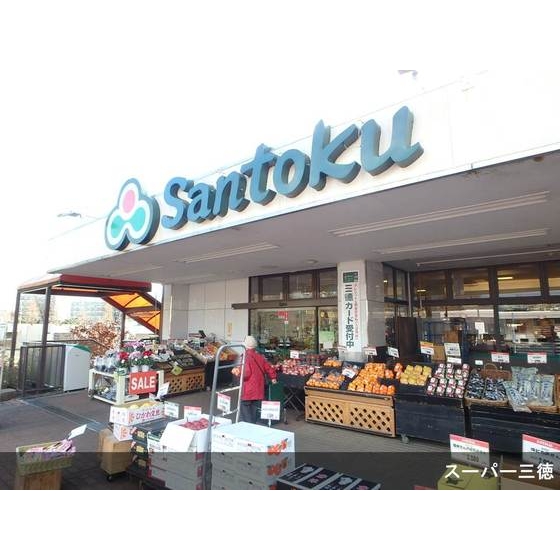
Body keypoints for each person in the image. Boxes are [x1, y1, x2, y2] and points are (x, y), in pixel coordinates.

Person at [233, 335, 278, 424]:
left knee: (245, 409)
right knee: (254, 408)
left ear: (245, 346)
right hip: (258, 388)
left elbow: (246, 373)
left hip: (248, 389)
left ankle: (249, 427)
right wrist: (273, 378)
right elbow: (269, 368)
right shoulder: (260, 356)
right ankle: (253, 425)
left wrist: (237, 372)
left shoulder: (246, 357)